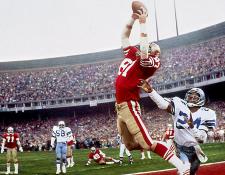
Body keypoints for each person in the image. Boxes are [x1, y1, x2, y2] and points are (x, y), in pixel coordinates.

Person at [115, 4, 189, 175]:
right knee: (131, 145)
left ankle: (181, 166)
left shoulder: (152, 62)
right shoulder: (133, 53)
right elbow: (124, 36)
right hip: (119, 107)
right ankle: (166, 150)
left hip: (129, 104)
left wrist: (143, 23)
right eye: (150, 46)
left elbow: (144, 52)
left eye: (154, 48)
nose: (151, 47)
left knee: (148, 144)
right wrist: (133, 18)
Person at [138, 79, 217, 175]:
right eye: (190, 97)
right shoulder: (179, 103)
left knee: (193, 170)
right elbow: (163, 104)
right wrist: (151, 91)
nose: (191, 99)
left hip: (194, 148)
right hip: (179, 146)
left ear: (201, 99)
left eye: (195, 97)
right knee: (185, 171)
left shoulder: (208, 113)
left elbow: (201, 139)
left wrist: (192, 126)